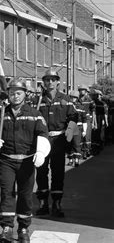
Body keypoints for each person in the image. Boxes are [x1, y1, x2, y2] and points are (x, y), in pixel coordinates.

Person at [0, 78, 50, 243]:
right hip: (6, 161)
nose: (15, 96)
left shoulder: (35, 114)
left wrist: (41, 152)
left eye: (19, 93)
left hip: (27, 162)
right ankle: (7, 228)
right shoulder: (1, 113)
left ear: (25, 94)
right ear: (8, 93)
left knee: (25, 195)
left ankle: (23, 228)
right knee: (7, 193)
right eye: (12, 92)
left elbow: (43, 134)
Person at [35, 69, 77, 218]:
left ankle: (57, 204)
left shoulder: (65, 99)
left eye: (53, 79)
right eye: (47, 80)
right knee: (41, 172)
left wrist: (70, 134)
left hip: (58, 140)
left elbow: (73, 117)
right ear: (44, 82)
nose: (50, 82)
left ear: (58, 81)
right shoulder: (38, 100)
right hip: (43, 140)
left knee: (58, 172)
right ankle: (43, 203)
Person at [67, 90, 87, 167]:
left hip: (78, 127)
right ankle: (71, 159)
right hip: (69, 127)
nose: (73, 99)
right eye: (72, 98)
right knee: (69, 144)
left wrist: (84, 130)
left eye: (75, 98)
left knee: (76, 143)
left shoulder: (81, 107)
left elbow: (84, 119)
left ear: (77, 98)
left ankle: (77, 160)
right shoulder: (67, 106)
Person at [78, 84, 95, 159]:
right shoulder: (78, 99)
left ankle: (87, 150)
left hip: (87, 118)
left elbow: (93, 108)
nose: (81, 91)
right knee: (81, 135)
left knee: (87, 135)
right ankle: (82, 151)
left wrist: (92, 118)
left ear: (85, 91)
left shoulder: (89, 99)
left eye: (83, 90)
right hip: (80, 119)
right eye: (80, 90)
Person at [90, 89, 109, 155]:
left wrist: (105, 121)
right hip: (94, 119)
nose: (98, 96)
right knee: (94, 134)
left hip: (100, 119)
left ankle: (98, 147)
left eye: (98, 95)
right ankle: (94, 147)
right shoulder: (92, 102)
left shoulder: (103, 103)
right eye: (95, 95)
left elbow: (105, 113)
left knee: (99, 134)